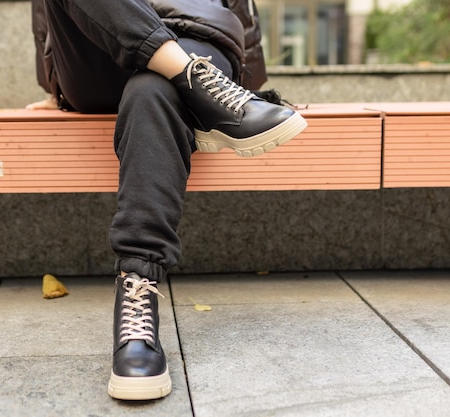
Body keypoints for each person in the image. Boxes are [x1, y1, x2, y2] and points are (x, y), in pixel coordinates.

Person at [27, 0, 306, 401]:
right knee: (163, 76)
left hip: (198, 38)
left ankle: (138, 289)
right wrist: (54, 87)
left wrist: (248, 86)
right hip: (97, 49)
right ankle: (197, 84)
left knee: (152, 88)